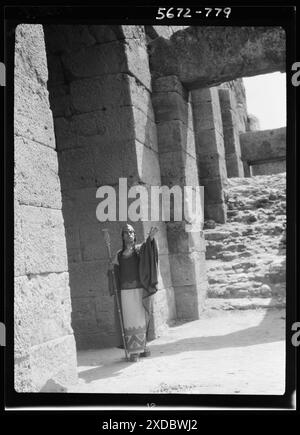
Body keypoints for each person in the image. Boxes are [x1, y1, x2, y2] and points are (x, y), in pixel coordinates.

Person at [108, 224, 159, 362]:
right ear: (123, 236)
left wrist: (151, 238)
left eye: (132, 232)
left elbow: (148, 251)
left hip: (139, 290)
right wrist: (111, 268)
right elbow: (113, 273)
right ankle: (133, 351)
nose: (129, 234)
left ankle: (141, 347)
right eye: (126, 232)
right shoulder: (119, 254)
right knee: (130, 319)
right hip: (125, 293)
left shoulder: (139, 250)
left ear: (134, 235)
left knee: (141, 318)